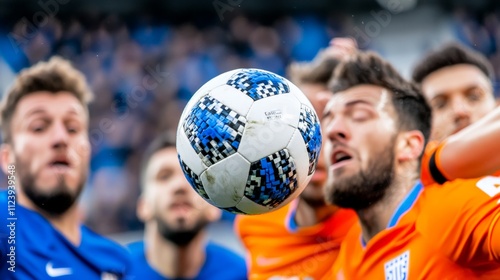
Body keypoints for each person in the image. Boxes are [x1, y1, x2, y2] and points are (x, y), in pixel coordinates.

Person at [321, 51, 500, 279]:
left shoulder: (450, 207)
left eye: (358, 115)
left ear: (410, 144)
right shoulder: (345, 257)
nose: (333, 131)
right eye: (327, 119)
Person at [234, 38, 358, 280]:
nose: (315, 143)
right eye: (301, 125)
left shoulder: (381, 219)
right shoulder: (255, 221)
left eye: (332, 121)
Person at [0, 57, 131, 279]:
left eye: (72, 128)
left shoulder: (118, 262)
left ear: (88, 150)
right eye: (39, 127)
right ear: (7, 158)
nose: (61, 138)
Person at [127, 131, 247, 280]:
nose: (180, 186)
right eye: (164, 176)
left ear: (214, 207)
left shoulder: (244, 275)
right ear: (143, 206)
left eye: (194, 177)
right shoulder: (112, 272)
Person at [412, 42, 500, 183]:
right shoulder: (411, 191)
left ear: (497, 105)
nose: (460, 111)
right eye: (440, 104)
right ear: (420, 124)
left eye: (474, 97)